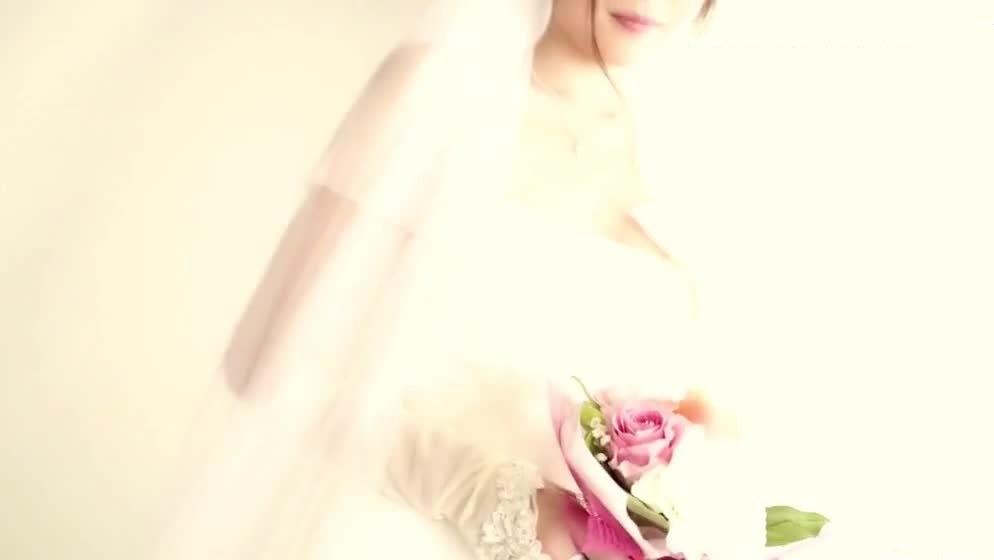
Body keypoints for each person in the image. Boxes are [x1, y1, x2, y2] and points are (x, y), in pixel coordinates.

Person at [154, 1, 796, 559]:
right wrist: (482, 494)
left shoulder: (686, 158)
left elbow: (696, 407)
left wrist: (699, 483)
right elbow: (268, 362)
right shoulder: (443, 92)